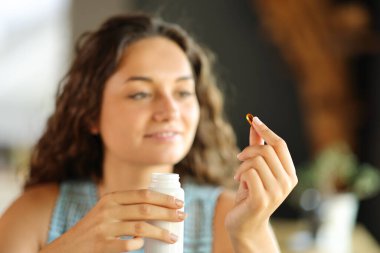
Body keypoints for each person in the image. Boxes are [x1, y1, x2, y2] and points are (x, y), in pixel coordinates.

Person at [0, 13, 297, 253]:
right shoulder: (35, 214)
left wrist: (250, 231)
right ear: (90, 113)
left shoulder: (227, 217)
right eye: (140, 93)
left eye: (182, 92)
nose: (170, 110)